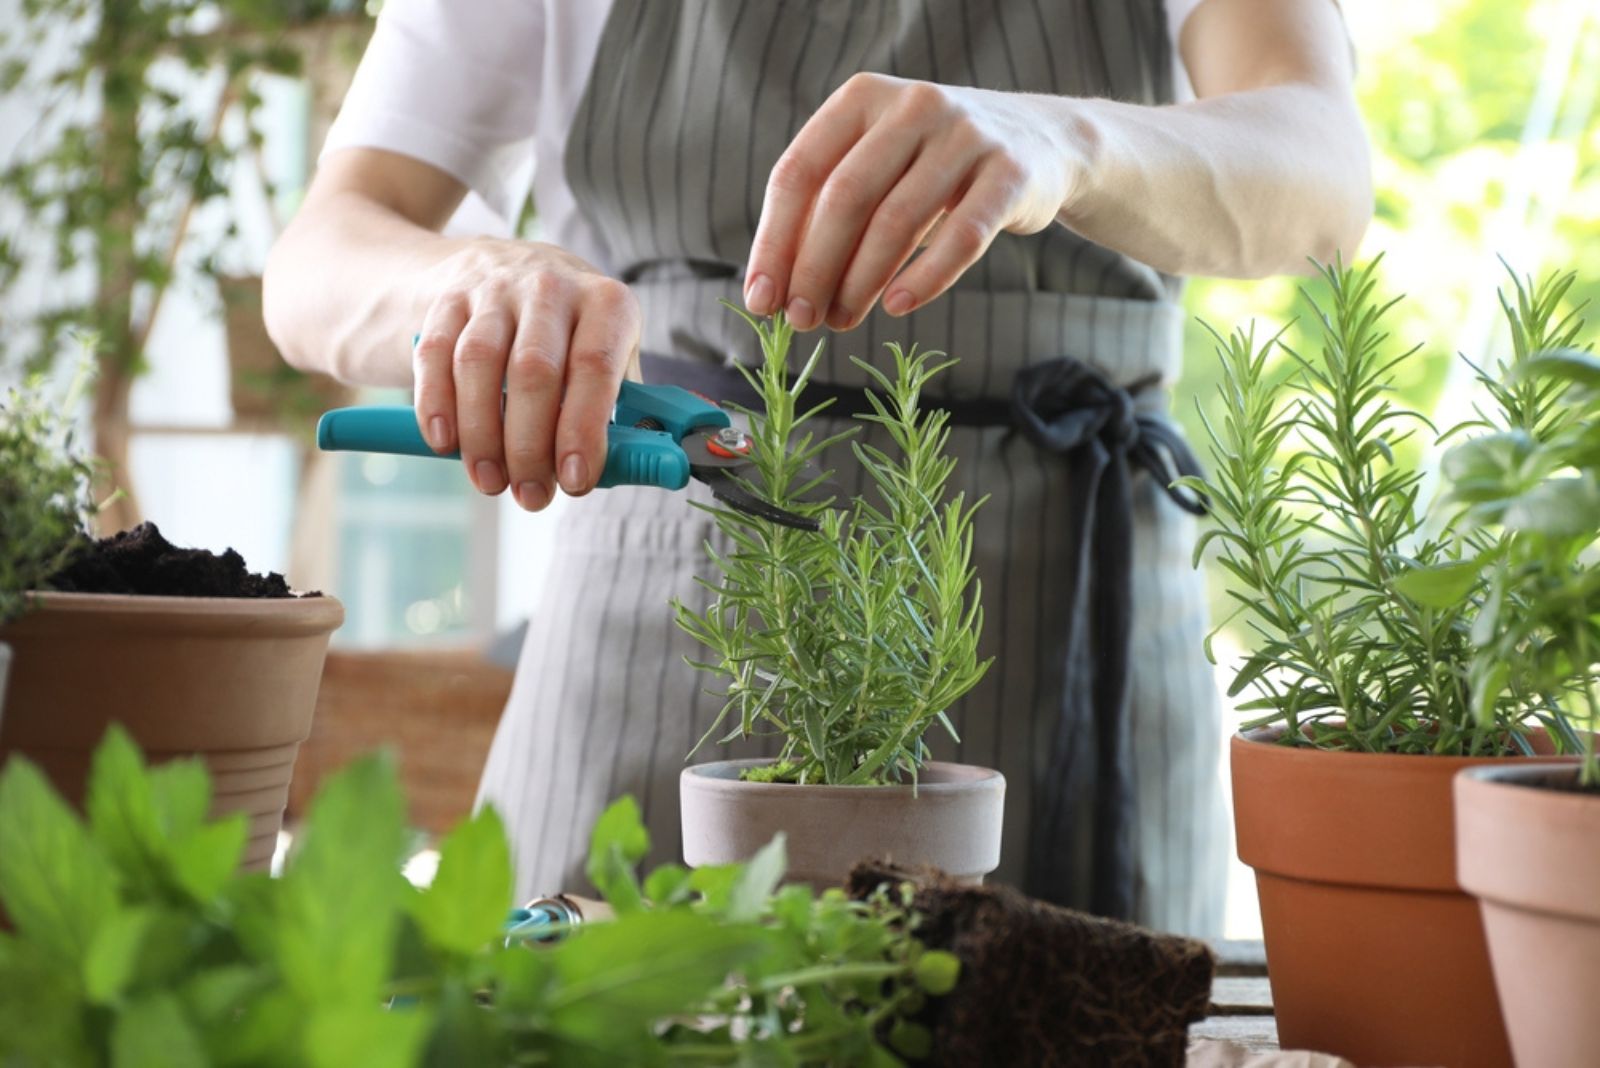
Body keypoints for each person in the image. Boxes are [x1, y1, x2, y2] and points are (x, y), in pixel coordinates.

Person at [265, 0, 1370, 935]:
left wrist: (1073, 141)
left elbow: (1321, 168)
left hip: (1075, 628)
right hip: (658, 625)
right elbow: (320, 257)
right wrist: (470, 281)